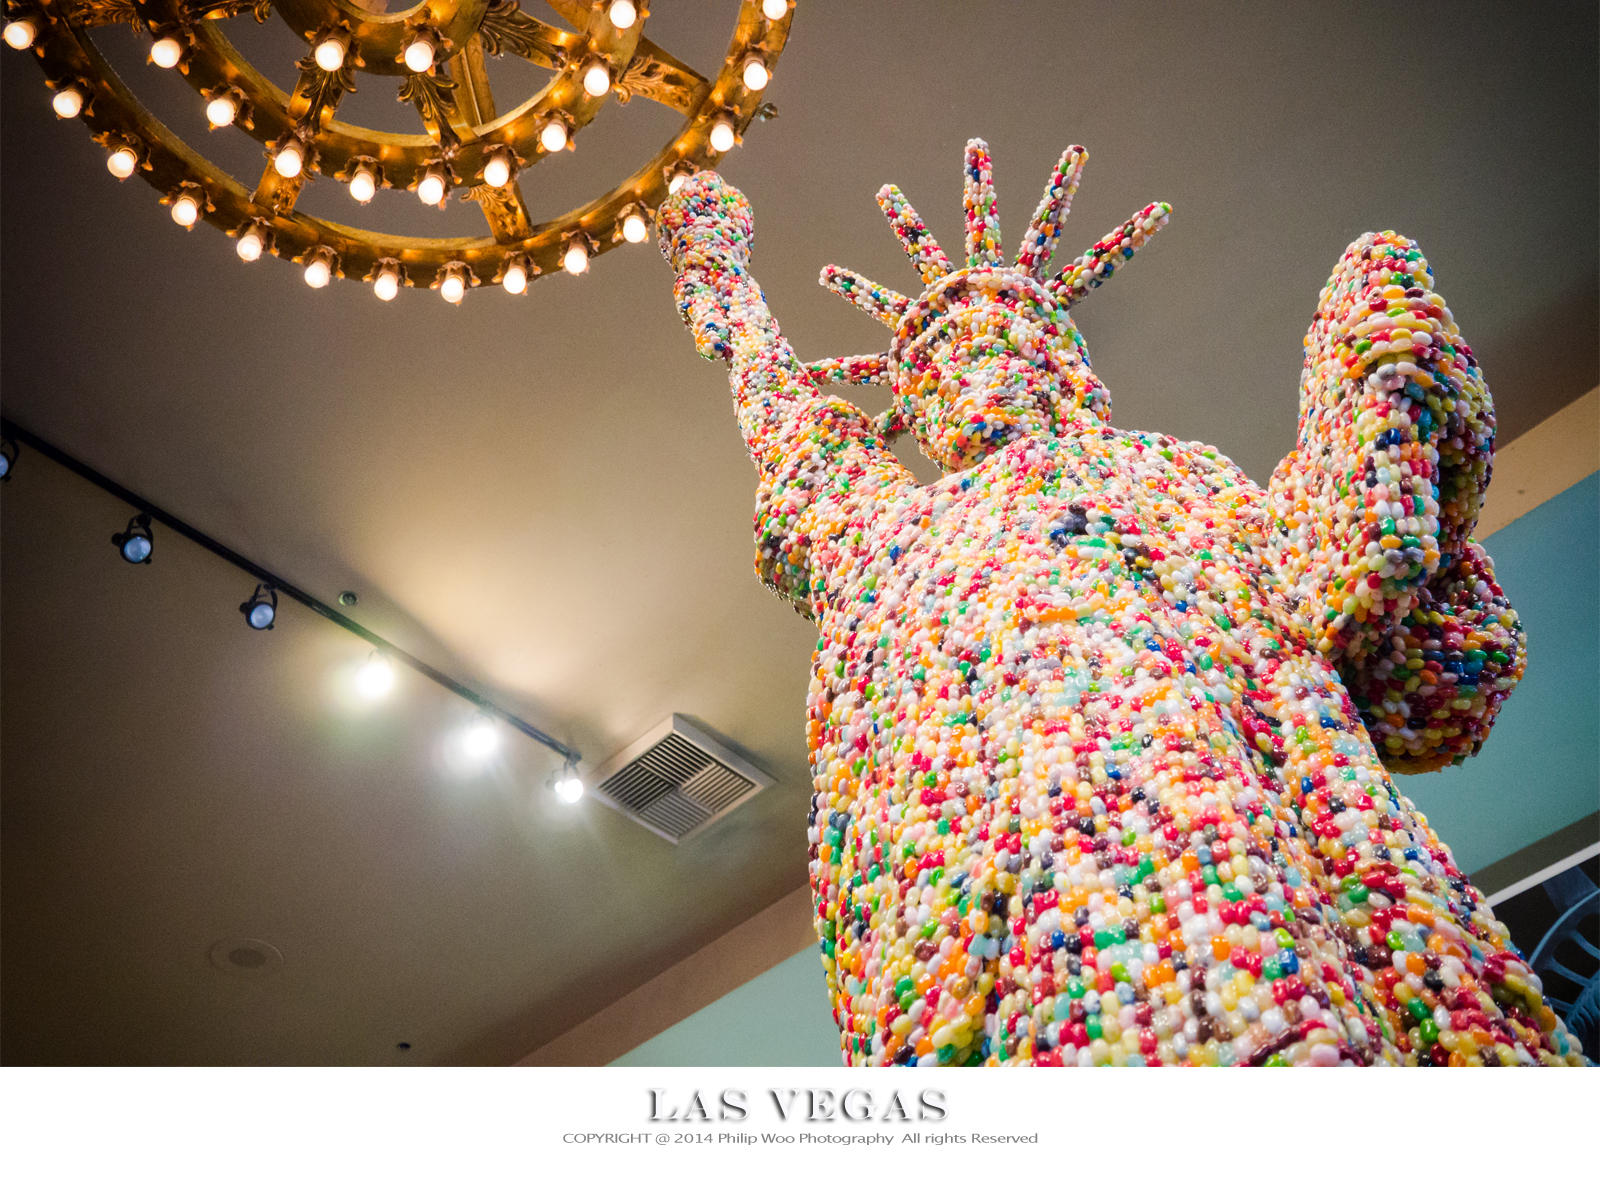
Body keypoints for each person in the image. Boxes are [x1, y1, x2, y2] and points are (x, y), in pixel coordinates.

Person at [657, 139, 1580, 1066]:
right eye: (939, 368)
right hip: (1007, 945)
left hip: (1251, 895)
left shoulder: (1182, 479)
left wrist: (1390, 444)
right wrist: (720, 276)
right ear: (922, 415)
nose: (973, 373)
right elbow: (788, 425)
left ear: (1069, 374)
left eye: (1000, 345)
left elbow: (1406, 674)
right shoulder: (881, 532)